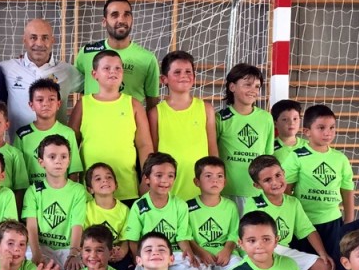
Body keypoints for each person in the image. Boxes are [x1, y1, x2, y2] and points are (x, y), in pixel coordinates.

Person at [243, 156, 335, 270]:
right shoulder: (254, 203)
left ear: (284, 173)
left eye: (278, 175)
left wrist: (323, 253)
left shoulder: (293, 203)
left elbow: (307, 229)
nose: (275, 182)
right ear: (257, 185)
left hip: (283, 249)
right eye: (267, 180)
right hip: (262, 251)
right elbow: (252, 237)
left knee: (326, 268)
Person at [70, 50, 154, 203]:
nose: (113, 72)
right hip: (91, 191)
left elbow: (144, 145)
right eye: (106, 68)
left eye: (117, 68)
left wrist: (146, 179)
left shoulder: (134, 105)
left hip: (127, 189)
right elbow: (72, 144)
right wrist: (71, 178)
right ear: (94, 74)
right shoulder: (83, 104)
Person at [280, 104, 355, 262]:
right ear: (307, 131)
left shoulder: (340, 158)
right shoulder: (297, 156)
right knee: (304, 266)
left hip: (332, 222)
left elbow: (347, 190)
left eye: (332, 127)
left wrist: (349, 220)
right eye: (321, 127)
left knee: (332, 265)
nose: (327, 132)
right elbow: (285, 192)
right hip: (303, 223)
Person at [121, 153, 202, 270]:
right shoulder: (139, 206)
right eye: (159, 175)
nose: (165, 180)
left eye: (170, 176)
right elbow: (133, 240)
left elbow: (182, 237)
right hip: (149, 254)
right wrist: (139, 260)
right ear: (147, 179)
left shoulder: (180, 205)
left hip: (173, 253)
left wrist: (189, 254)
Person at [148, 51, 218, 200]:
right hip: (168, 189)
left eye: (188, 71)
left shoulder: (206, 109)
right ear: (164, 79)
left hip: (200, 188)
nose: (184, 75)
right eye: (177, 72)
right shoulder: (156, 113)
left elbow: (213, 150)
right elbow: (152, 154)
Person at [73, 0, 160, 108]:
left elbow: (152, 103)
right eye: (115, 15)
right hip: (94, 123)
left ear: (132, 19)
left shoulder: (147, 59)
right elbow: (81, 90)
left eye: (126, 15)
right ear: (104, 21)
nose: (121, 20)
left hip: (130, 125)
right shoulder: (86, 53)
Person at [185, 157, 241, 270]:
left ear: (225, 181)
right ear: (197, 181)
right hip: (200, 254)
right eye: (208, 176)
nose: (214, 180)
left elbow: (234, 232)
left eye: (219, 176)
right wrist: (200, 252)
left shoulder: (230, 206)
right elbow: (186, 235)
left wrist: (227, 249)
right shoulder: (188, 207)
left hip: (224, 254)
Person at [0, 18, 83, 135]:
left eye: (45, 38)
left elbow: (93, 88)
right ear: (24, 40)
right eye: (33, 38)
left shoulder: (67, 71)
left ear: (53, 40)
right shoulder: (7, 69)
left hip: (57, 149)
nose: (39, 43)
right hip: (20, 147)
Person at [22, 135, 88, 270]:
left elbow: (77, 224)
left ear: (69, 160)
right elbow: (31, 225)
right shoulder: (34, 190)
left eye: (63, 157)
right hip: (41, 247)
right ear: (41, 162)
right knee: (29, 267)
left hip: (67, 248)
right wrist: (36, 253)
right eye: (52, 157)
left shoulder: (78, 190)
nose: (58, 161)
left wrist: (74, 252)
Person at [216, 63, 275, 210]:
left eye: (257, 86)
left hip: (257, 193)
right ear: (232, 87)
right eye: (247, 85)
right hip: (227, 191)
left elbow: (268, 157)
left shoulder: (266, 118)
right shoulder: (221, 118)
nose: (253, 90)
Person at [12, 78, 84, 185]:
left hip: (60, 193)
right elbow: (17, 170)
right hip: (31, 194)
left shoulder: (68, 133)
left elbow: (73, 170)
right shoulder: (22, 134)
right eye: (40, 100)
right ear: (31, 105)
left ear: (58, 104)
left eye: (51, 99)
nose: (46, 104)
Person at [83, 162, 133, 270]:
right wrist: (101, 253)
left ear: (116, 185)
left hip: (116, 255)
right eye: (98, 179)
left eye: (109, 177)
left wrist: (122, 252)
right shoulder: (86, 209)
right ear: (90, 189)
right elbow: (83, 240)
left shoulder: (124, 210)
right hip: (94, 255)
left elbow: (126, 239)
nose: (104, 180)